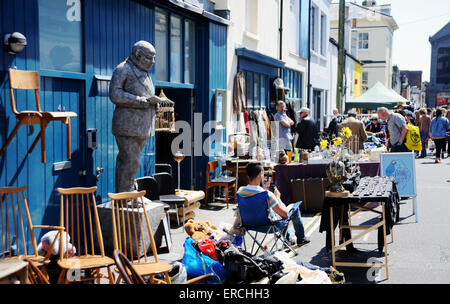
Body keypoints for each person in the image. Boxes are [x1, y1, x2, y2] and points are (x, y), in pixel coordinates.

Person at [109, 41, 168, 192]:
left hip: (142, 127)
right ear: (137, 55)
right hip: (127, 127)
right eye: (149, 57)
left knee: (128, 161)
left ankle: (126, 191)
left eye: (154, 58)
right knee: (132, 161)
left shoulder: (144, 72)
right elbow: (114, 94)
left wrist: (154, 102)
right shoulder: (123, 69)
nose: (153, 62)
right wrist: (141, 101)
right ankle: (125, 195)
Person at [237, 163, 310, 246]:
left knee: (275, 211)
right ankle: (301, 239)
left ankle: (288, 240)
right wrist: (278, 197)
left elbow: (253, 200)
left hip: (248, 224)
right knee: (293, 208)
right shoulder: (267, 194)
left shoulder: (240, 191)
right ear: (261, 174)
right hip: (268, 226)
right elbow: (285, 214)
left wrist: (262, 189)